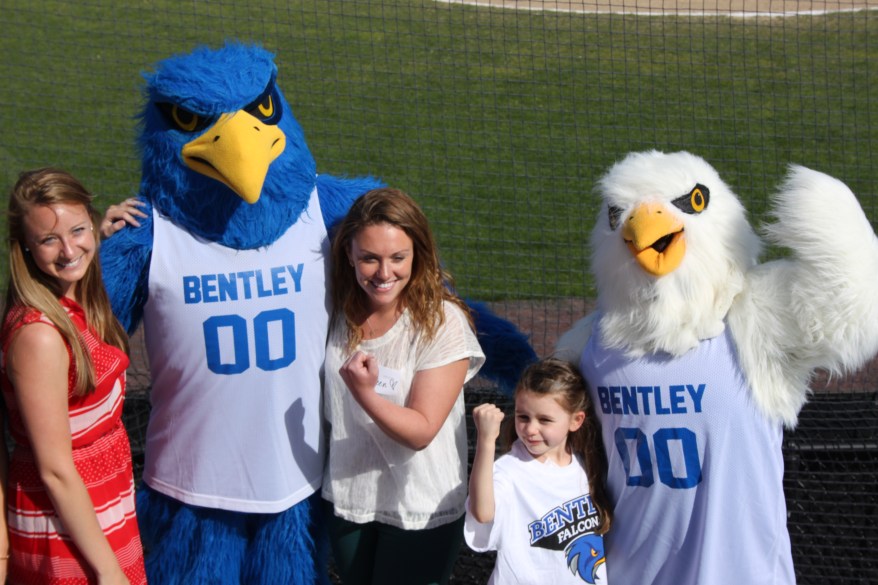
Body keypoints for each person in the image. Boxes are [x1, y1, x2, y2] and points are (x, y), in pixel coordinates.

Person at [322, 187, 485, 585]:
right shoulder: (334, 310)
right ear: (348, 254)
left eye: (398, 257)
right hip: (348, 499)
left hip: (420, 508)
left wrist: (365, 394)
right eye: (369, 258)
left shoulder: (442, 322)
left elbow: (421, 430)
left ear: (418, 254)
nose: (383, 273)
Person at [0, 168, 147, 585]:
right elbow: (55, 470)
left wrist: (97, 240)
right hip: (67, 525)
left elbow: (74, 259)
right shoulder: (39, 336)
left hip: (101, 508)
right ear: (25, 247)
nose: (68, 250)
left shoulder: (74, 298)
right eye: (49, 240)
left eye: (77, 230)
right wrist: (108, 570)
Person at [465, 358, 612, 585]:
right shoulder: (511, 470)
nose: (531, 429)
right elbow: (483, 513)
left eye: (545, 420)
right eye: (523, 417)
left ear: (576, 420)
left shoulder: (585, 465)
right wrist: (486, 441)